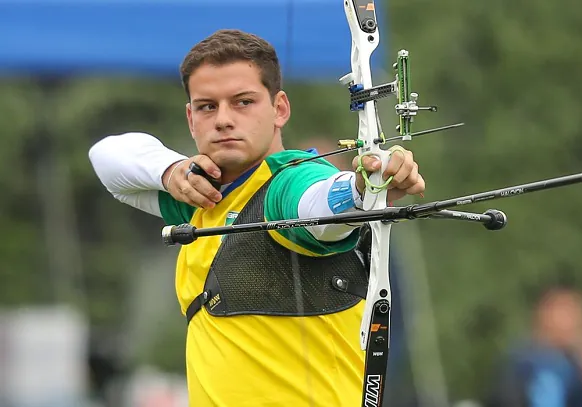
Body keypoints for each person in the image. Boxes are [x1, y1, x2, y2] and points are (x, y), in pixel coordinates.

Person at [88, 29, 426, 407]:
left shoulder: (291, 181)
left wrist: (363, 191)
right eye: (207, 106)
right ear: (190, 117)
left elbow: (317, 205)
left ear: (280, 108)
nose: (223, 120)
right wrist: (170, 171)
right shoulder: (200, 198)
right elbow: (106, 156)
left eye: (243, 102)